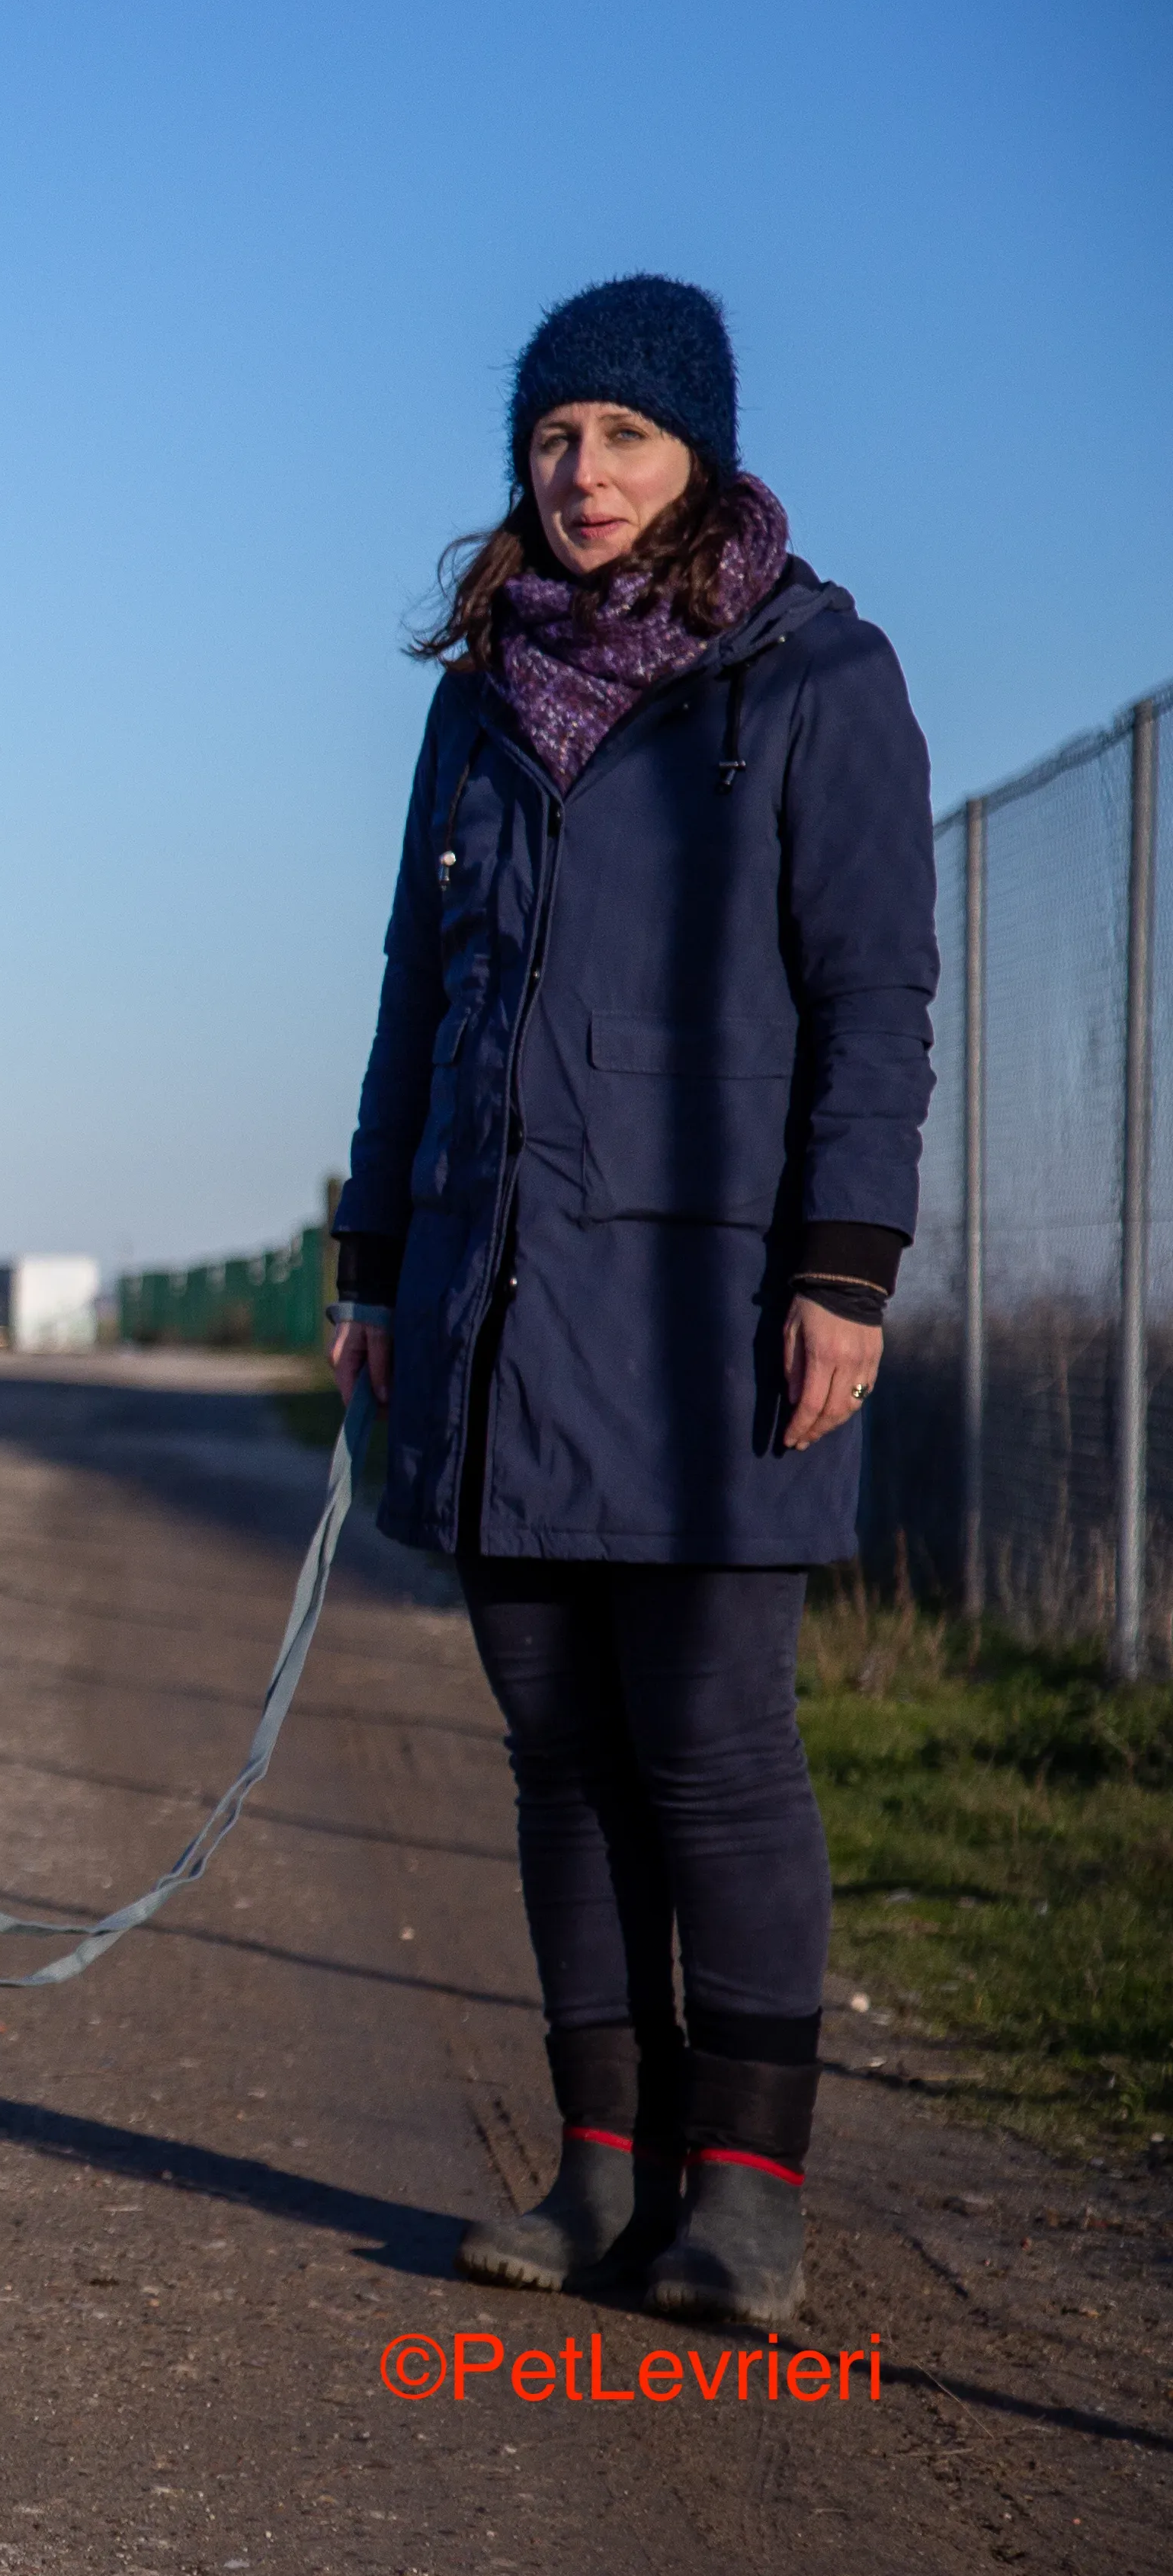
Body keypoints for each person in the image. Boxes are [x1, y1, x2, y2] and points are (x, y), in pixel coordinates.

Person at [330, 278, 933, 2330]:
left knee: (713, 1745)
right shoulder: (476, 696)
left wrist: (846, 1267)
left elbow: (875, 996)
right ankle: (604, 2169)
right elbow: (427, 992)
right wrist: (371, 1254)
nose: (581, 477)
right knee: (557, 1748)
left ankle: (743, 2196)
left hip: (708, 1314)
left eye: (627, 439)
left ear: (705, 457)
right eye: (554, 436)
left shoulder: (817, 674)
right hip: (494, 1299)